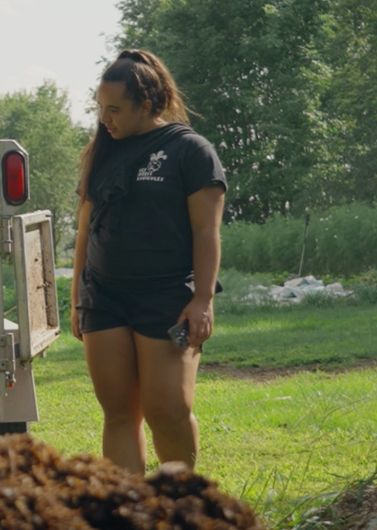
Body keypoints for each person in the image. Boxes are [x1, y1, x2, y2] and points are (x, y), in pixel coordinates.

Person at [71, 49, 226, 475]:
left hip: (167, 297)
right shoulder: (99, 152)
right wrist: (76, 299)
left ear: (150, 104)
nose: (105, 118)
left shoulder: (190, 150)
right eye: (100, 108)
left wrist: (203, 300)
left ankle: (179, 507)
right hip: (103, 297)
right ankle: (129, 512)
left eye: (115, 109)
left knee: (168, 410)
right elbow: (85, 232)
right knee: (119, 412)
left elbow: (206, 232)